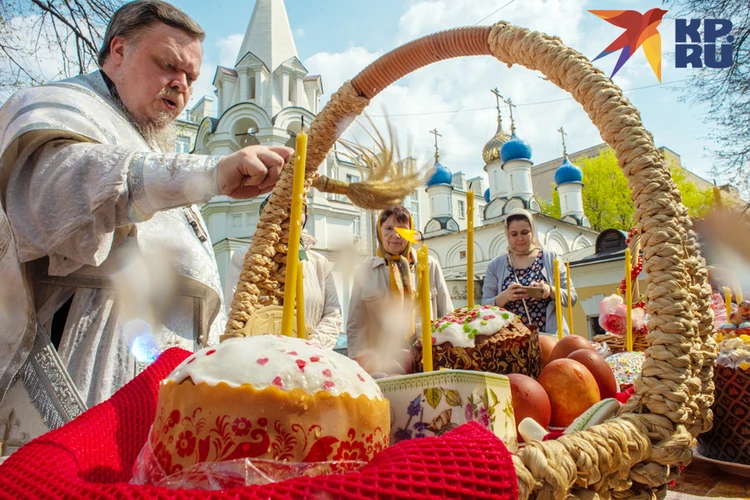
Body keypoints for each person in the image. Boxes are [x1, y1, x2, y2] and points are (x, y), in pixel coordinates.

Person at [0, 0, 293, 407]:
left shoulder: (148, 141)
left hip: (165, 384)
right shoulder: (60, 106)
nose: (181, 85)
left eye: (191, 77)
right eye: (168, 65)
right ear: (119, 51)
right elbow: (58, 189)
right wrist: (210, 175)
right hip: (87, 376)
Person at [347, 205, 453, 374]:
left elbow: (446, 314)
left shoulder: (429, 265)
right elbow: (356, 324)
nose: (395, 235)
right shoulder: (365, 271)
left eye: (403, 230)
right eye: (388, 228)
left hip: (427, 357)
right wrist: (361, 363)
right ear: (379, 231)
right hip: (381, 361)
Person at [224, 198, 342, 348]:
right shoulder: (245, 257)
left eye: (300, 210)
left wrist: (311, 345)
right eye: (283, 208)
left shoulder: (319, 263)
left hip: (310, 357)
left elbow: (332, 313)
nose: (291, 215)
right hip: (260, 355)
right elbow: (236, 309)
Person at [481, 208, 576, 335]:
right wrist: (505, 296)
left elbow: (571, 297)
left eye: (525, 232)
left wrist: (550, 290)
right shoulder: (495, 265)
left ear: (532, 231)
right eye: (514, 234)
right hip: (511, 339)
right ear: (507, 235)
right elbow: (484, 306)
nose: (520, 238)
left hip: (550, 337)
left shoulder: (551, 259)